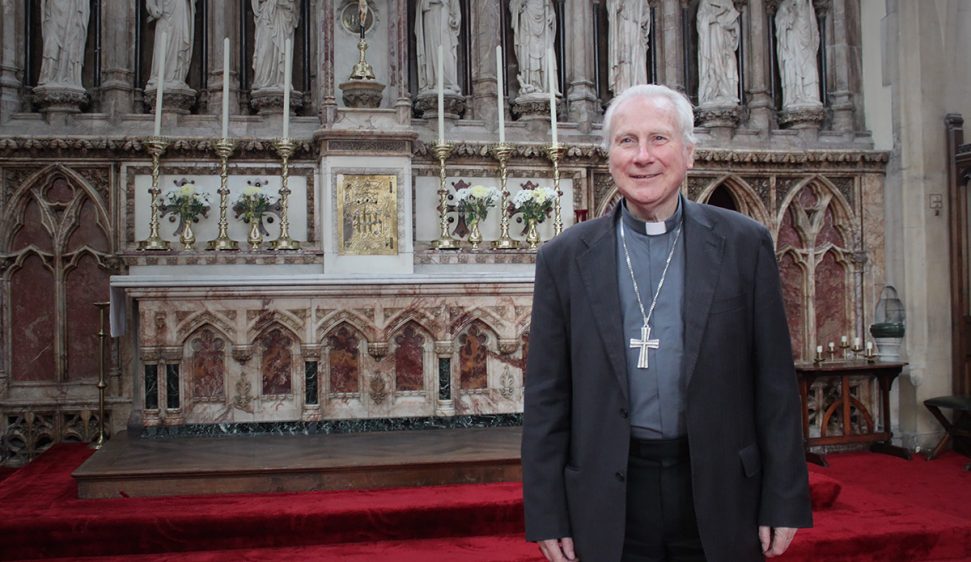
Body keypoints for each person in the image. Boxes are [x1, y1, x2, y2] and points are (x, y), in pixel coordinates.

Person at [521, 83, 812, 561]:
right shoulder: (565, 257)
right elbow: (546, 396)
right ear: (609, 157)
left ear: (689, 153)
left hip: (720, 488)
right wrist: (547, 511)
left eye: (659, 138)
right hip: (609, 493)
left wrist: (784, 498)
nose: (643, 156)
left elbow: (775, 383)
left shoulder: (743, 244)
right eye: (627, 141)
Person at [775, 0, 822, 109]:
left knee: (810, 67)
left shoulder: (809, 6)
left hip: (807, 47)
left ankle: (811, 96)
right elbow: (780, 25)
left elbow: (814, 30)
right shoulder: (786, 5)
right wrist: (790, 17)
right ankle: (794, 96)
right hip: (792, 44)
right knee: (792, 66)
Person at [696, 0, 740, 107]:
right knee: (714, 65)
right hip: (711, 40)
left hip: (725, 40)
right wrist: (718, 14)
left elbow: (734, 24)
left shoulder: (728, 2)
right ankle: (711, 93)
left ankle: (728, 92)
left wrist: (731, 25)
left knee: (727, 64)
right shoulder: (705, 2)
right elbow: (701, 20)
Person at [37, 0, 90, 88]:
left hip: (74, 9)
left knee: (73, 41)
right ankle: (49, 76)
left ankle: (70, 76)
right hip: (54, 11)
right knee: (51, 41)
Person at [509, 0, 557, 97]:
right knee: (530, 58)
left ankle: (549, 88)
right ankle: (532, 85)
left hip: (544, 27)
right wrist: (521, 3)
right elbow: (513, 6)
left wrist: (551, 15)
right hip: (527, 25)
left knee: (547, 55)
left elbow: (551, 9)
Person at [146, 0, 197, 90]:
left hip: (180, 6)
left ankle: (177, 77)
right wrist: (152, 5)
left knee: (179, 39)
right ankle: (158, 76)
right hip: (163, 7)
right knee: (162, 42)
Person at [414, 0, 462, 94]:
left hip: (445, 17)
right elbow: (420, 4)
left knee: (446, 51)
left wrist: (456, 19)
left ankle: (449, 82)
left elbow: (455, 6)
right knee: (432, 49)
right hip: (430, 16)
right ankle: (432, 82)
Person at [251, 0, 298, 91]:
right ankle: (262, 81)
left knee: (283, 49)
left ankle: (281, 80)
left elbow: (293, 4)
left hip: (283, 15)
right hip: (266, 15)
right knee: (264, 50)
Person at [607, 0, 651, 95]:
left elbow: (646, 12)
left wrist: (643, 18)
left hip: (636, 31)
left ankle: (639, 88)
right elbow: (612, 8)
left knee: (638, 59)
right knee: (624, 59)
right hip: (623, 29)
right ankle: (623, 88)